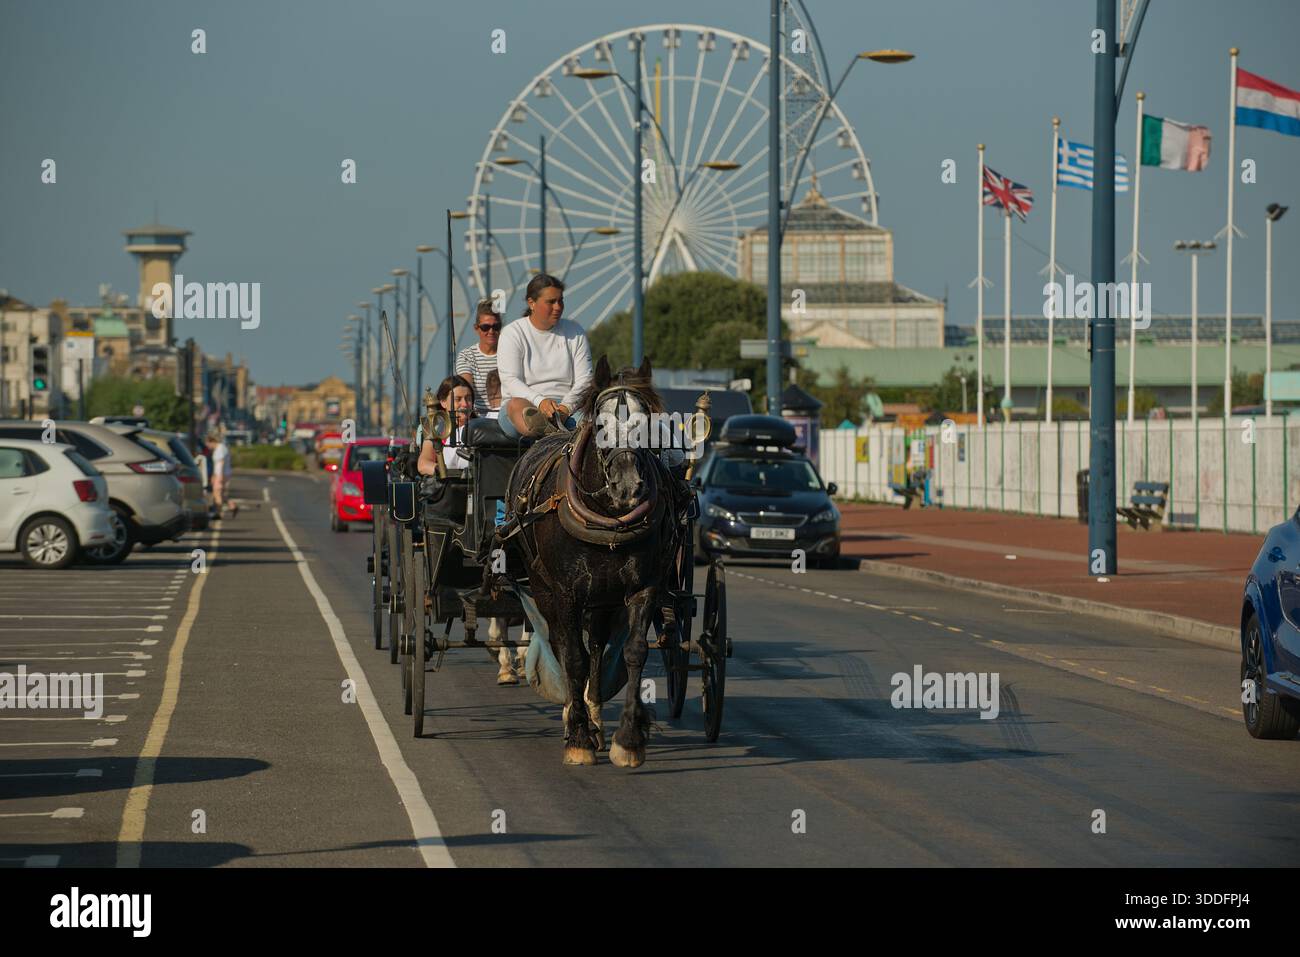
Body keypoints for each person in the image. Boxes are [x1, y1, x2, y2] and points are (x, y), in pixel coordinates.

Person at [496, 274, 592, 439]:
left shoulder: (575, 331)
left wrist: (565, 408)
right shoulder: (512, 333)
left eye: (560, 300)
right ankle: (548, 430)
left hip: (568, 407)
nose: (558, 307)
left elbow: (585, 379)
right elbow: (510, 380)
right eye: (551, 302)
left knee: (599, 416)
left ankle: (551, 429)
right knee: (516, 406)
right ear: (531, 303)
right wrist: (540, 401)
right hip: (527, 405)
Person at [417, 374, 474, 475]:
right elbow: (423, 464)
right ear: (443, 402)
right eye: (458, 399)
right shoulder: (437, 428)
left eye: (468, 398)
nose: (465, 404)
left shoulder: (481, 427)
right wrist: (444, 471)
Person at [456, 300, 501, 416]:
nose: (491, 331)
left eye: (496, 327)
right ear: (476, 328)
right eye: (485, 327)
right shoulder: (467, 356)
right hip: (478, 421)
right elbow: (466, 389)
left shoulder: (511, 352)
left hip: (507, 417)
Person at [210, 430, 235, 518]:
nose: (208, 446)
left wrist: (219, 476)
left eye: (208, 444)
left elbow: (221, 462)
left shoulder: (220, 448)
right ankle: (232, 505)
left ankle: (218, 513)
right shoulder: (220, 448)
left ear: (212, 441)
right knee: (220, 493)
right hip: (221, 474)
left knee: (217, 493)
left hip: (221, 474)